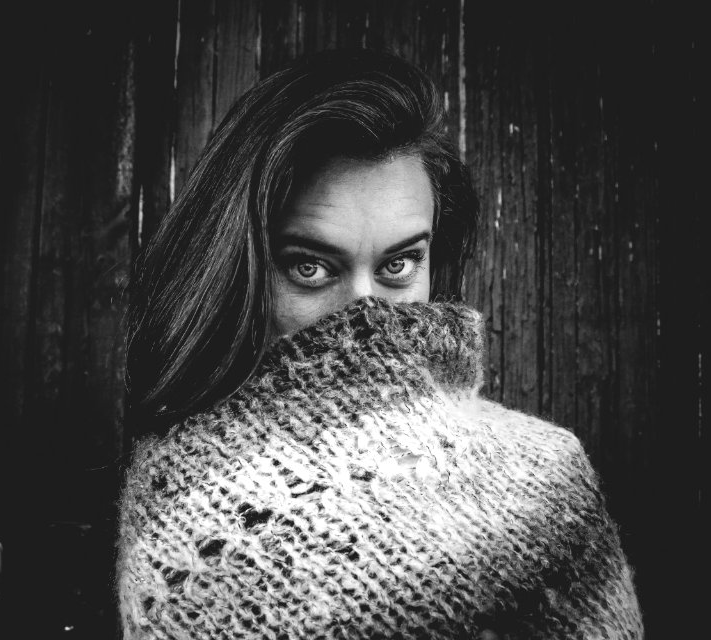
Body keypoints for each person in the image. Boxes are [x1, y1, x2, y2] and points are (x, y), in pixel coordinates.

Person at [116, 49, 643, 639]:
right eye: (310, 267)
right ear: (240, 266)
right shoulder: (187, 491)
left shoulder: (544, 475)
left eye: (398, 264)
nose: (362, 313)